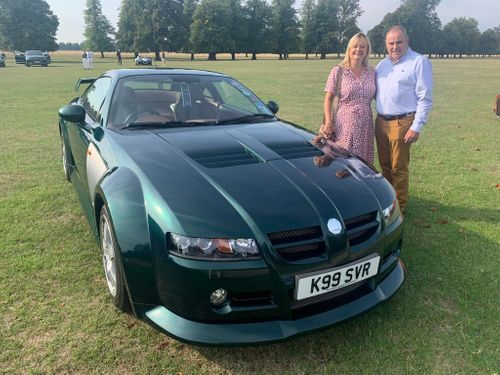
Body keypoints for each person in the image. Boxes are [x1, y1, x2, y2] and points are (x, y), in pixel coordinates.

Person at [375, 25, 433, 213]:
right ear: (386, 44)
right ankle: (388, 201)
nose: (395, 46)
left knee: (398, 168)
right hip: (381, 121)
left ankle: (398, 210)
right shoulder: (381, 65)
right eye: (391, 43)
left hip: (403, 122)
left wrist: (416, 127)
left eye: (399, 42)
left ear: (407, 40)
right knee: (385, 167)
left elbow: (425, 98)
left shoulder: (419, 62)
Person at [321, 32, 377, 164]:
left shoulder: (372, 72)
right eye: (355, 46)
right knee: (343, 163)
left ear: (367, 50)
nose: (358, 50)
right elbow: (328, 98)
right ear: (349, 49)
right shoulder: (339, 71)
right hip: (344, 126)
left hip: (366, 125)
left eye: (362, 46)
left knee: (364, 165)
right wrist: (328, 123)